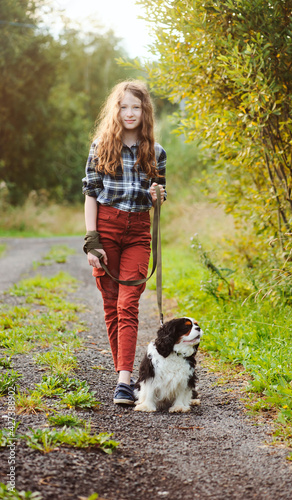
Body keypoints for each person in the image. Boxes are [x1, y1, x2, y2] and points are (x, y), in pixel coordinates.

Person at [82, 80, 166, 405]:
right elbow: (90, 194)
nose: (130, 113)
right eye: (124, 106)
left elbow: (160, 193)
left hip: (138, 234)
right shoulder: (101, 146)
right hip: (106, 228)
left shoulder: (156, 152)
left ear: (145, 111)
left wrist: (157, 195)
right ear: (115, 110)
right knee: (111, 304)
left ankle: (123, 382)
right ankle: (125, 377)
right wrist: (92, 241)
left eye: (137, 107)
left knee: (128, 303)